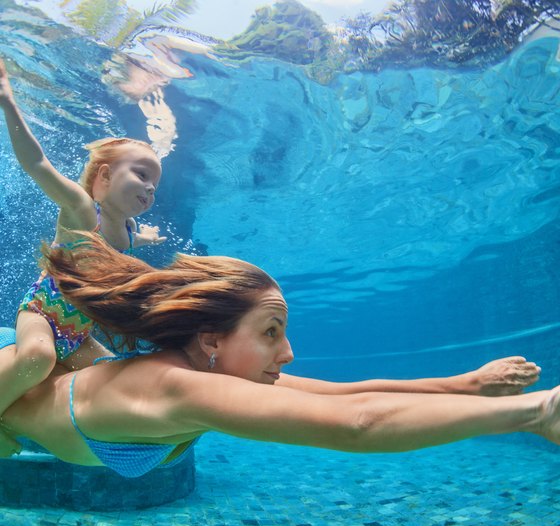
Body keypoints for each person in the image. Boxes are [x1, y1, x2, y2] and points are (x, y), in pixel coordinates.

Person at [0, 232, 557, 476]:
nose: (288, 354)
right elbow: (355, 425)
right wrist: (533, 414)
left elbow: (342, 396)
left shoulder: (197, 374)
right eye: (271, 331)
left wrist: (466, 384)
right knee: (33, 360)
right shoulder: (176, 386)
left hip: (29, 423)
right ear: (211, 340)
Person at [0, 59, 168, 455]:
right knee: (38, 357)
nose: (150, 189)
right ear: (104, 177)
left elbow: (129, 243)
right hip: (41, 314)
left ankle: (78, 433)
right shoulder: (80, 210)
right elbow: (36, 164)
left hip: (77, 334)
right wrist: (8, 102)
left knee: (115, 373)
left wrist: (147, 237)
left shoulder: (126, 231)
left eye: (155, 185)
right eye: (142, 175)